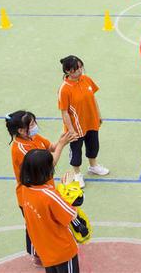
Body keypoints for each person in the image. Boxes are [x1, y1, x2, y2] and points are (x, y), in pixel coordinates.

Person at [6, 111, 77, 266]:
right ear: (21, 130)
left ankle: (44, 253)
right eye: (31, 124)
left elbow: (50, 147)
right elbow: (48, 165)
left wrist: (61, 140)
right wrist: (62, 145)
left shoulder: (34, 138)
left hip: (45, 190)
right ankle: (38, 255)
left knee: (47, 224)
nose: (35, 126)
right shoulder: (22, 149)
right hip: (31, 194)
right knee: (36, 227)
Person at [20, 149, 80, 272]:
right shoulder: (49, 195)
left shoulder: (25, 190)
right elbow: (72, 214)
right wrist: (67, 188)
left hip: (45, 250)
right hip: (62, 250)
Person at [58, 55, 109, 188]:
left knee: (93, 146)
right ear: (68, 71)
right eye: (77, 69)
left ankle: (93, 166)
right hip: (76, 127)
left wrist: (98, 114)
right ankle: (77, 174)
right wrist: (71, 130)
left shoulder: (86, 79)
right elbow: (64, 112)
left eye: (81, 67)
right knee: (76, 151)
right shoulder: (64, 89)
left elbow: (93, 98)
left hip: (91, 121)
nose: (80, 70)